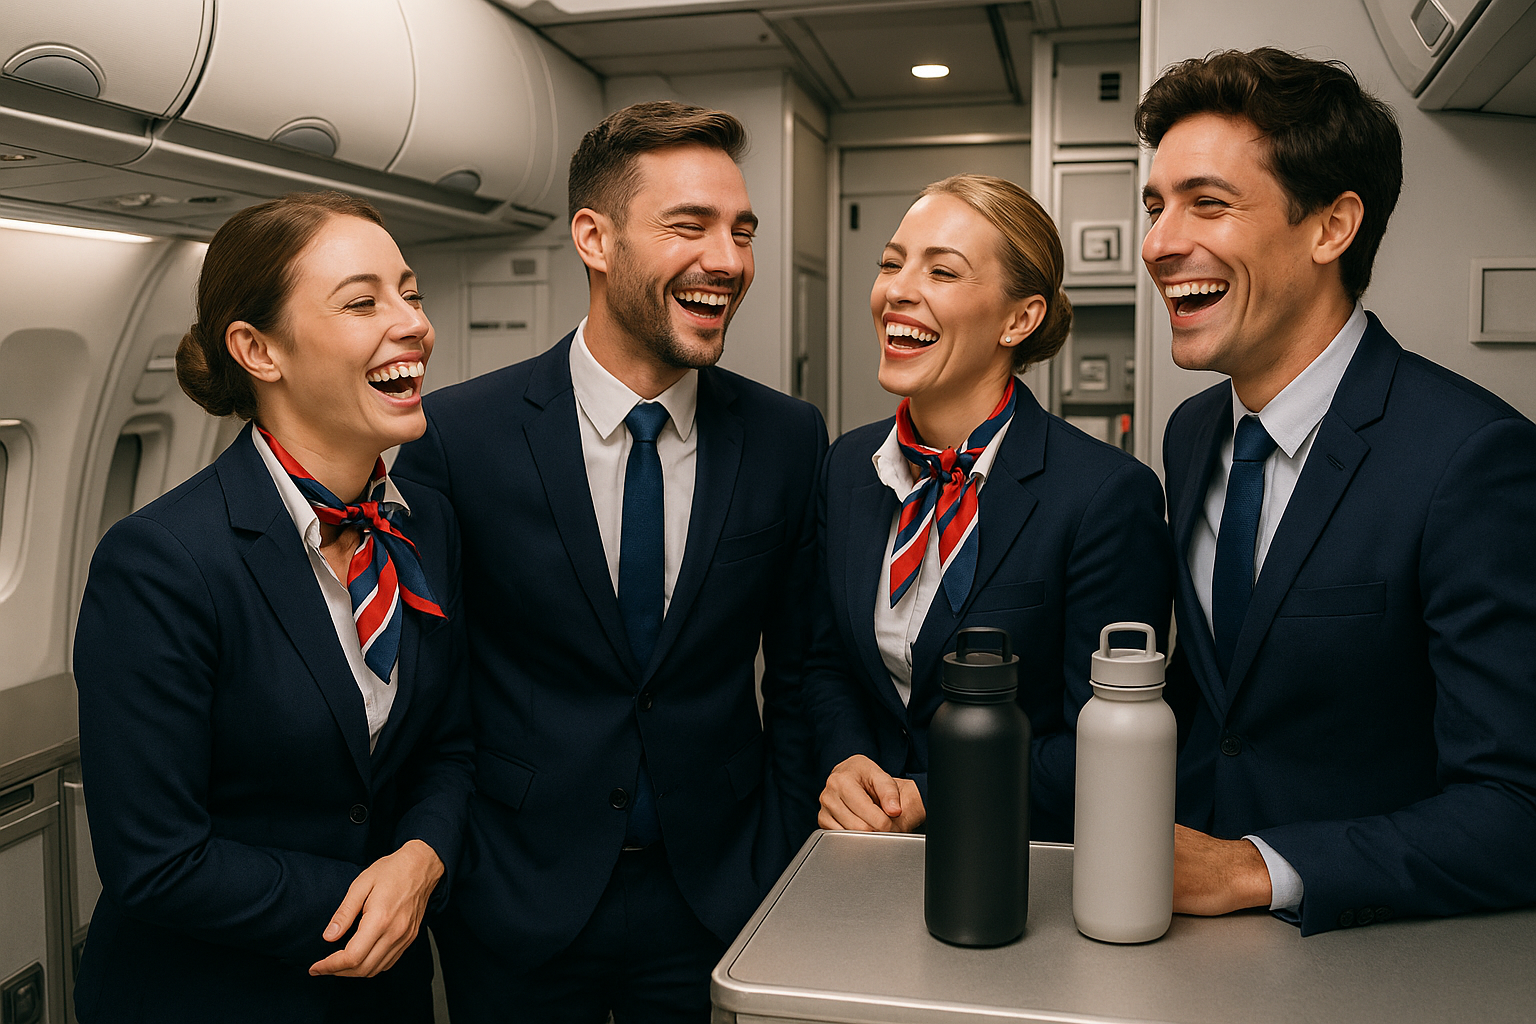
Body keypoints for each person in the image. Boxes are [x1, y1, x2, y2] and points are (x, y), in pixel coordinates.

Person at [392, 102, 825, 1021]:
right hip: (517, 898)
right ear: (595, 237)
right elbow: (437, 687)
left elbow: (798, 673)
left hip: (718, 893)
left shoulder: (786, 438)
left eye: (741, 231)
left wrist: (777, 846)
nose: (728, 260)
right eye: (689, 225)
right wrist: (453, 860)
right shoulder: (460, 440)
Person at [1139, 48, 1536, 935]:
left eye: (1208, 203)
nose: (1161, 244)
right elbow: (1223, 703)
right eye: (1156, 207)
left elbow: (1517, 806)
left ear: (1331, 227)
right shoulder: (1192, 435)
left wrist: (1254, 869)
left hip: (1368, 950)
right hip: (1184, 944)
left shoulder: (1474, 459)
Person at [72, 191, 474, 1022]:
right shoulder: (164, 561)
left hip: (383, 992)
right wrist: (369, 896)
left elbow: (449, 741)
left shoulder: (423, 519)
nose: (413, 324)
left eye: (412, 293)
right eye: (364, 301)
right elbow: (156, 859)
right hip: (210, 995)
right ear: (258, 349)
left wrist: (424, 857)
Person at [805, 174, 1173, 842]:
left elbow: (1106, 747)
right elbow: (827, 665)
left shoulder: (1104, 496)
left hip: (1014, 864)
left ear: (1019, 319)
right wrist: (849, 761)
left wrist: (932, 794)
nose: (896, 290)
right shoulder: (845, 469)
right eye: (891, 263)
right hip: (854, 858)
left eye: (941, 271)